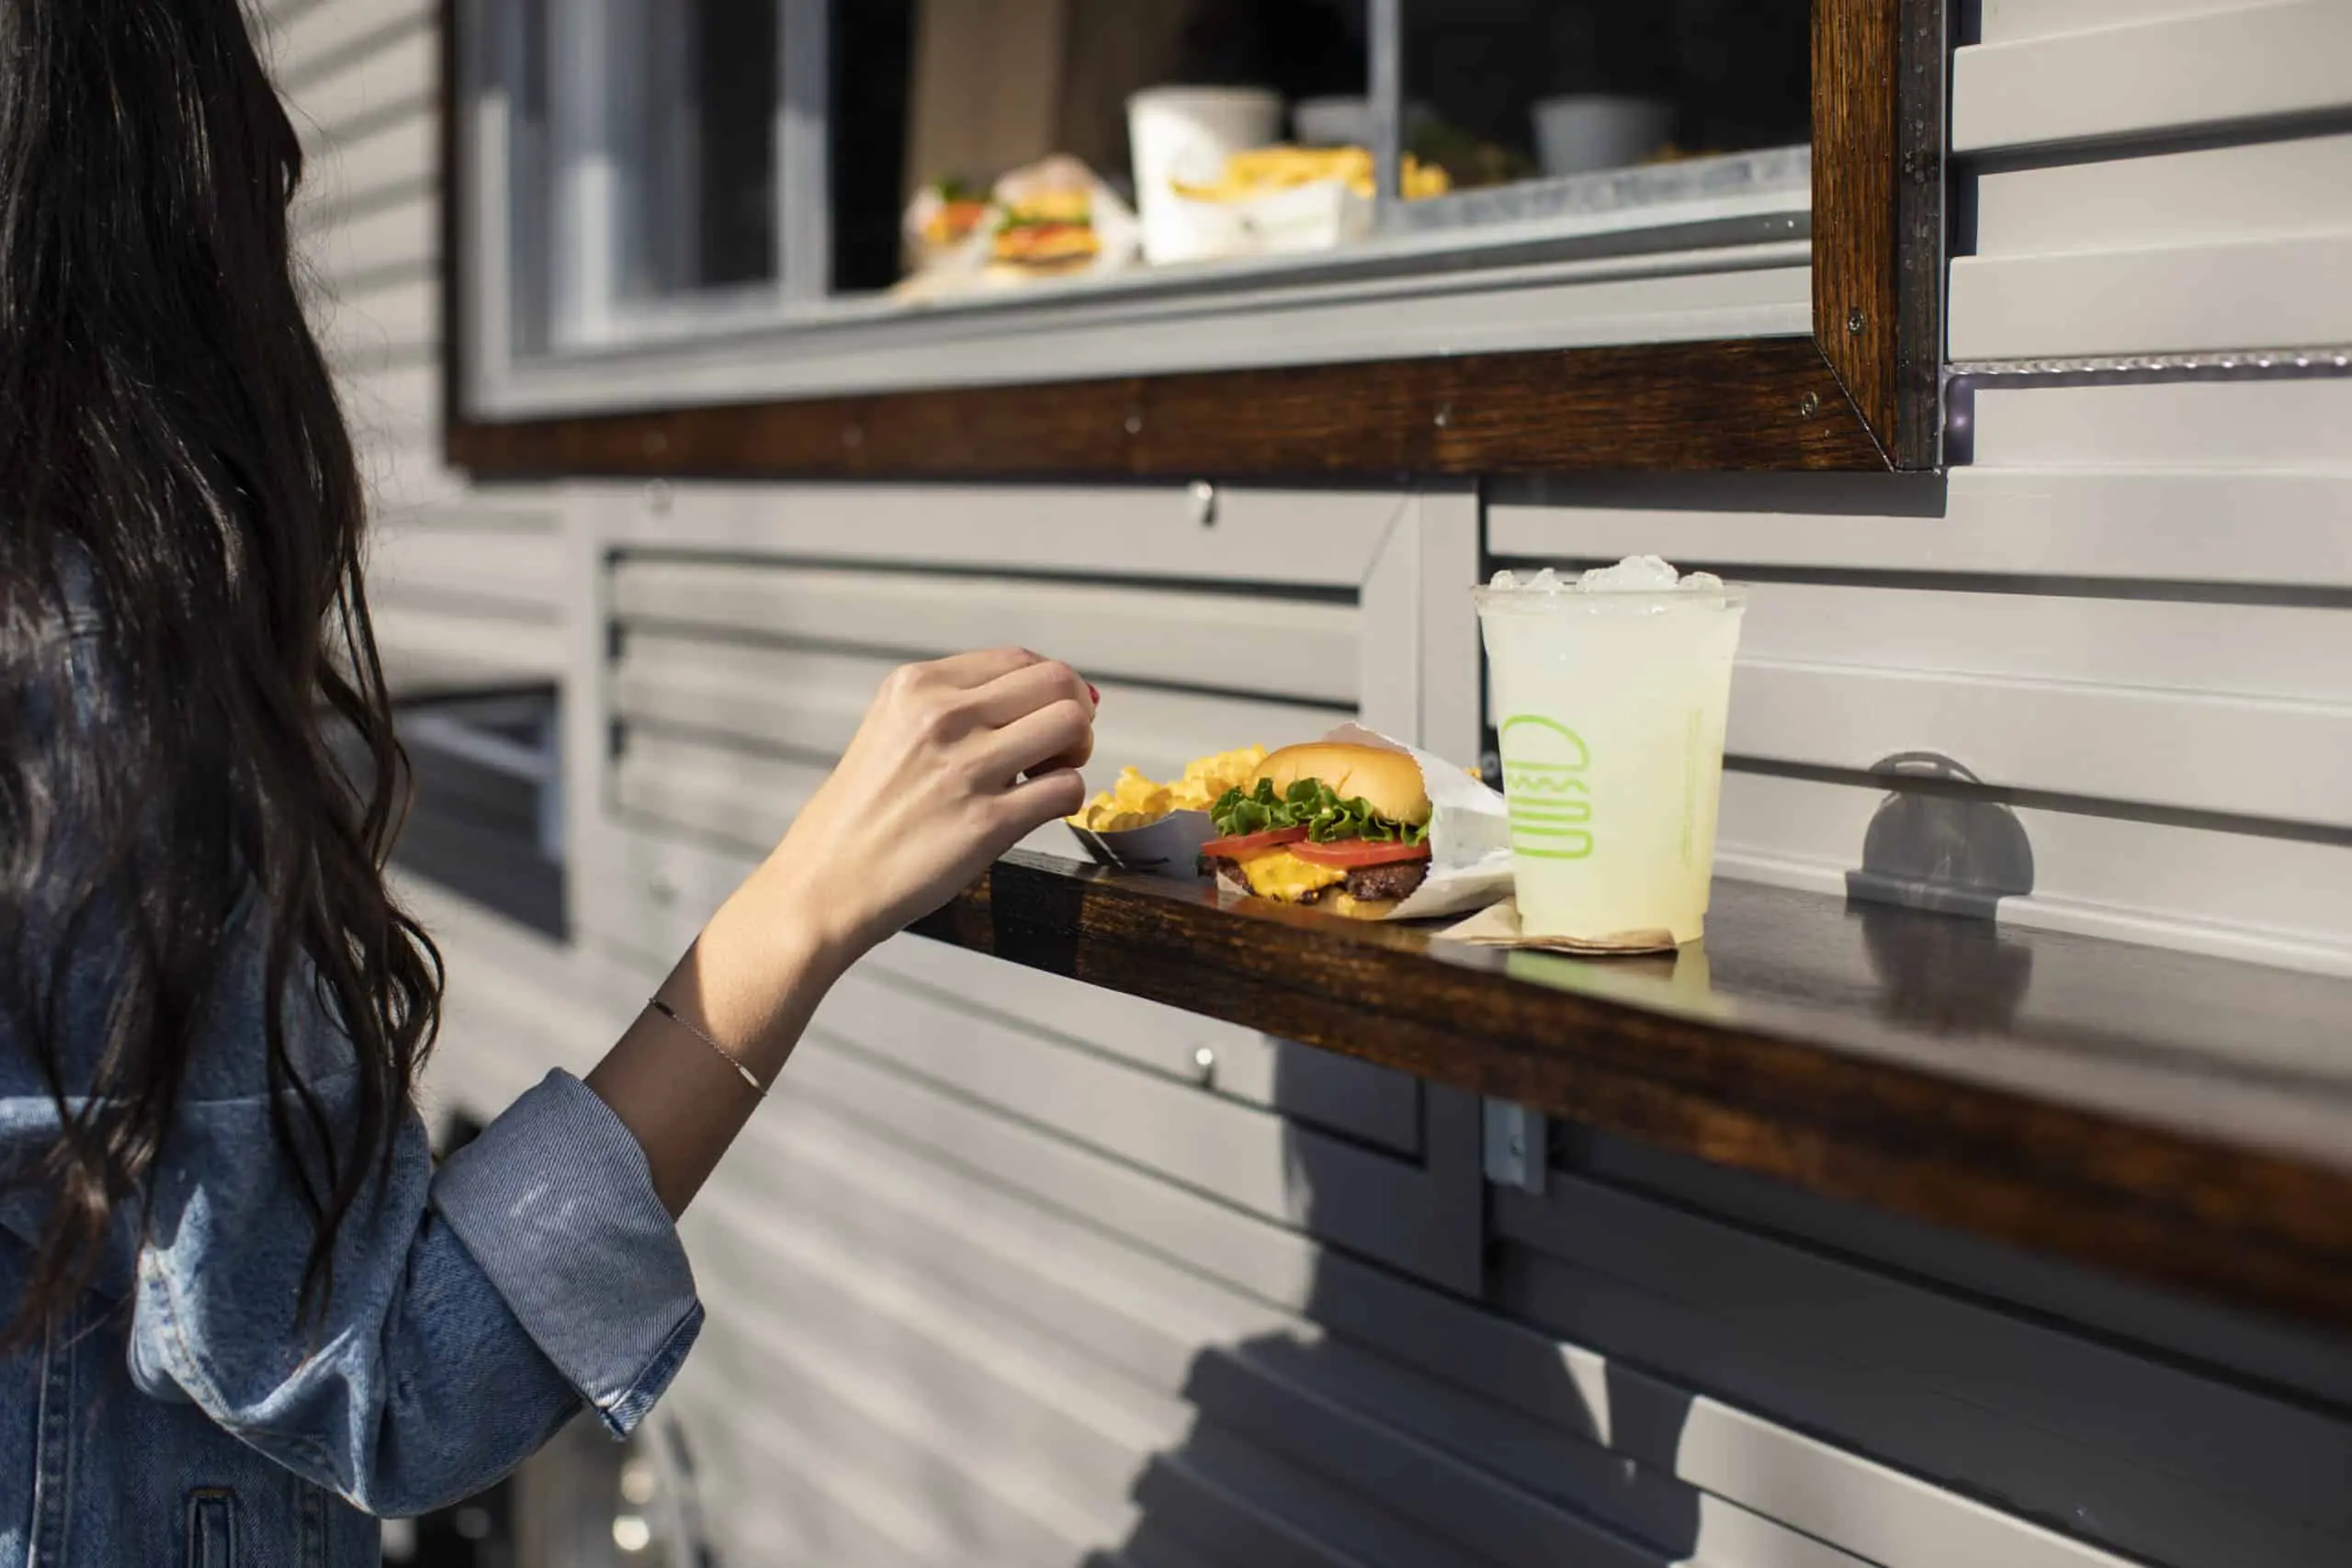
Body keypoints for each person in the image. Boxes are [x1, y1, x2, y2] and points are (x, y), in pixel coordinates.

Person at [0, 3, 1095, 1561]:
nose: (287, 163)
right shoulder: (77, 686)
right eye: (244, 142)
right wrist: (796, 913)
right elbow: (384, 1377)